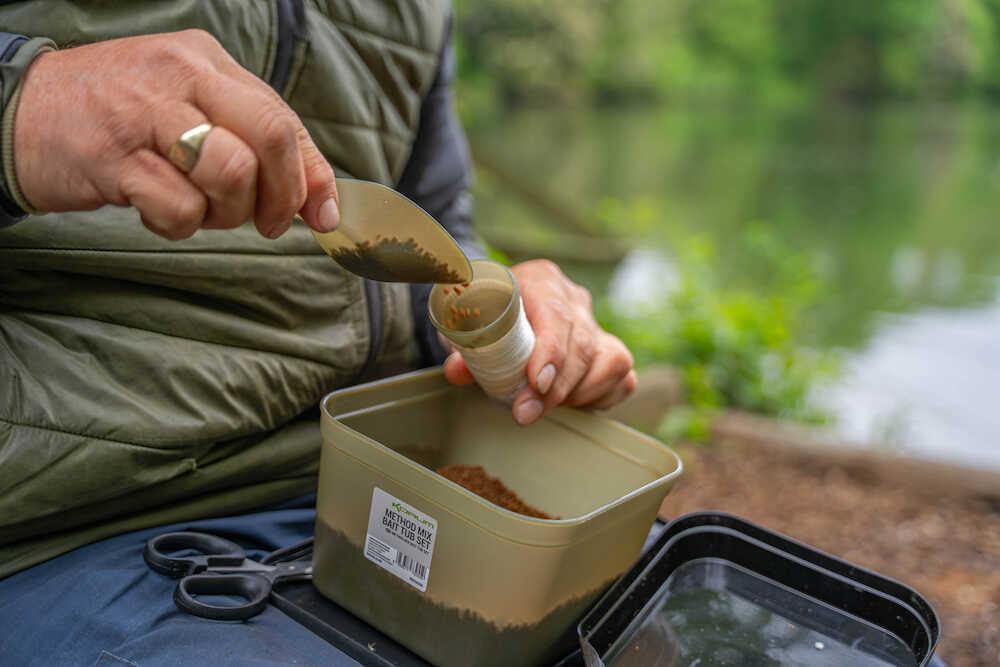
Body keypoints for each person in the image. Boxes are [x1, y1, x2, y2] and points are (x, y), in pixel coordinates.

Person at [0, 3, 636, 664]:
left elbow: (437, 222)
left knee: (659, 604)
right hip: (76, 530)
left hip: (368, 479)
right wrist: (23, 103)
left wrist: (497, 323)